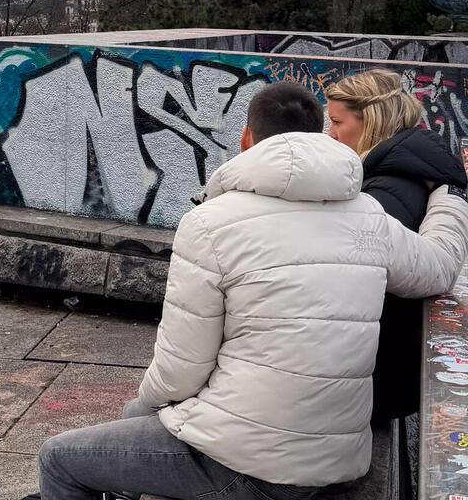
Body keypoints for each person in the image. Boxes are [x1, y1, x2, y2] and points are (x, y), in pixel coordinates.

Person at [26, 82, 468, 500]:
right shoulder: (367, 214)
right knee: (135, 424)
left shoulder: (209, 223)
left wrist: (146, 408)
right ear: (319, 135)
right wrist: (450, 194)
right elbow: (440, 267)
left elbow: (180, 371)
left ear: (246, 139)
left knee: (61, 459)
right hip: (335, 458)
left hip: (247, 466)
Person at [325, 69, 468, 422]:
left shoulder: (383, 193)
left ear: (371, 122)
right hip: (389, 374)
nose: (330, 134)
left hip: (375, 382)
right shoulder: (408, 171)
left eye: (337, 122)